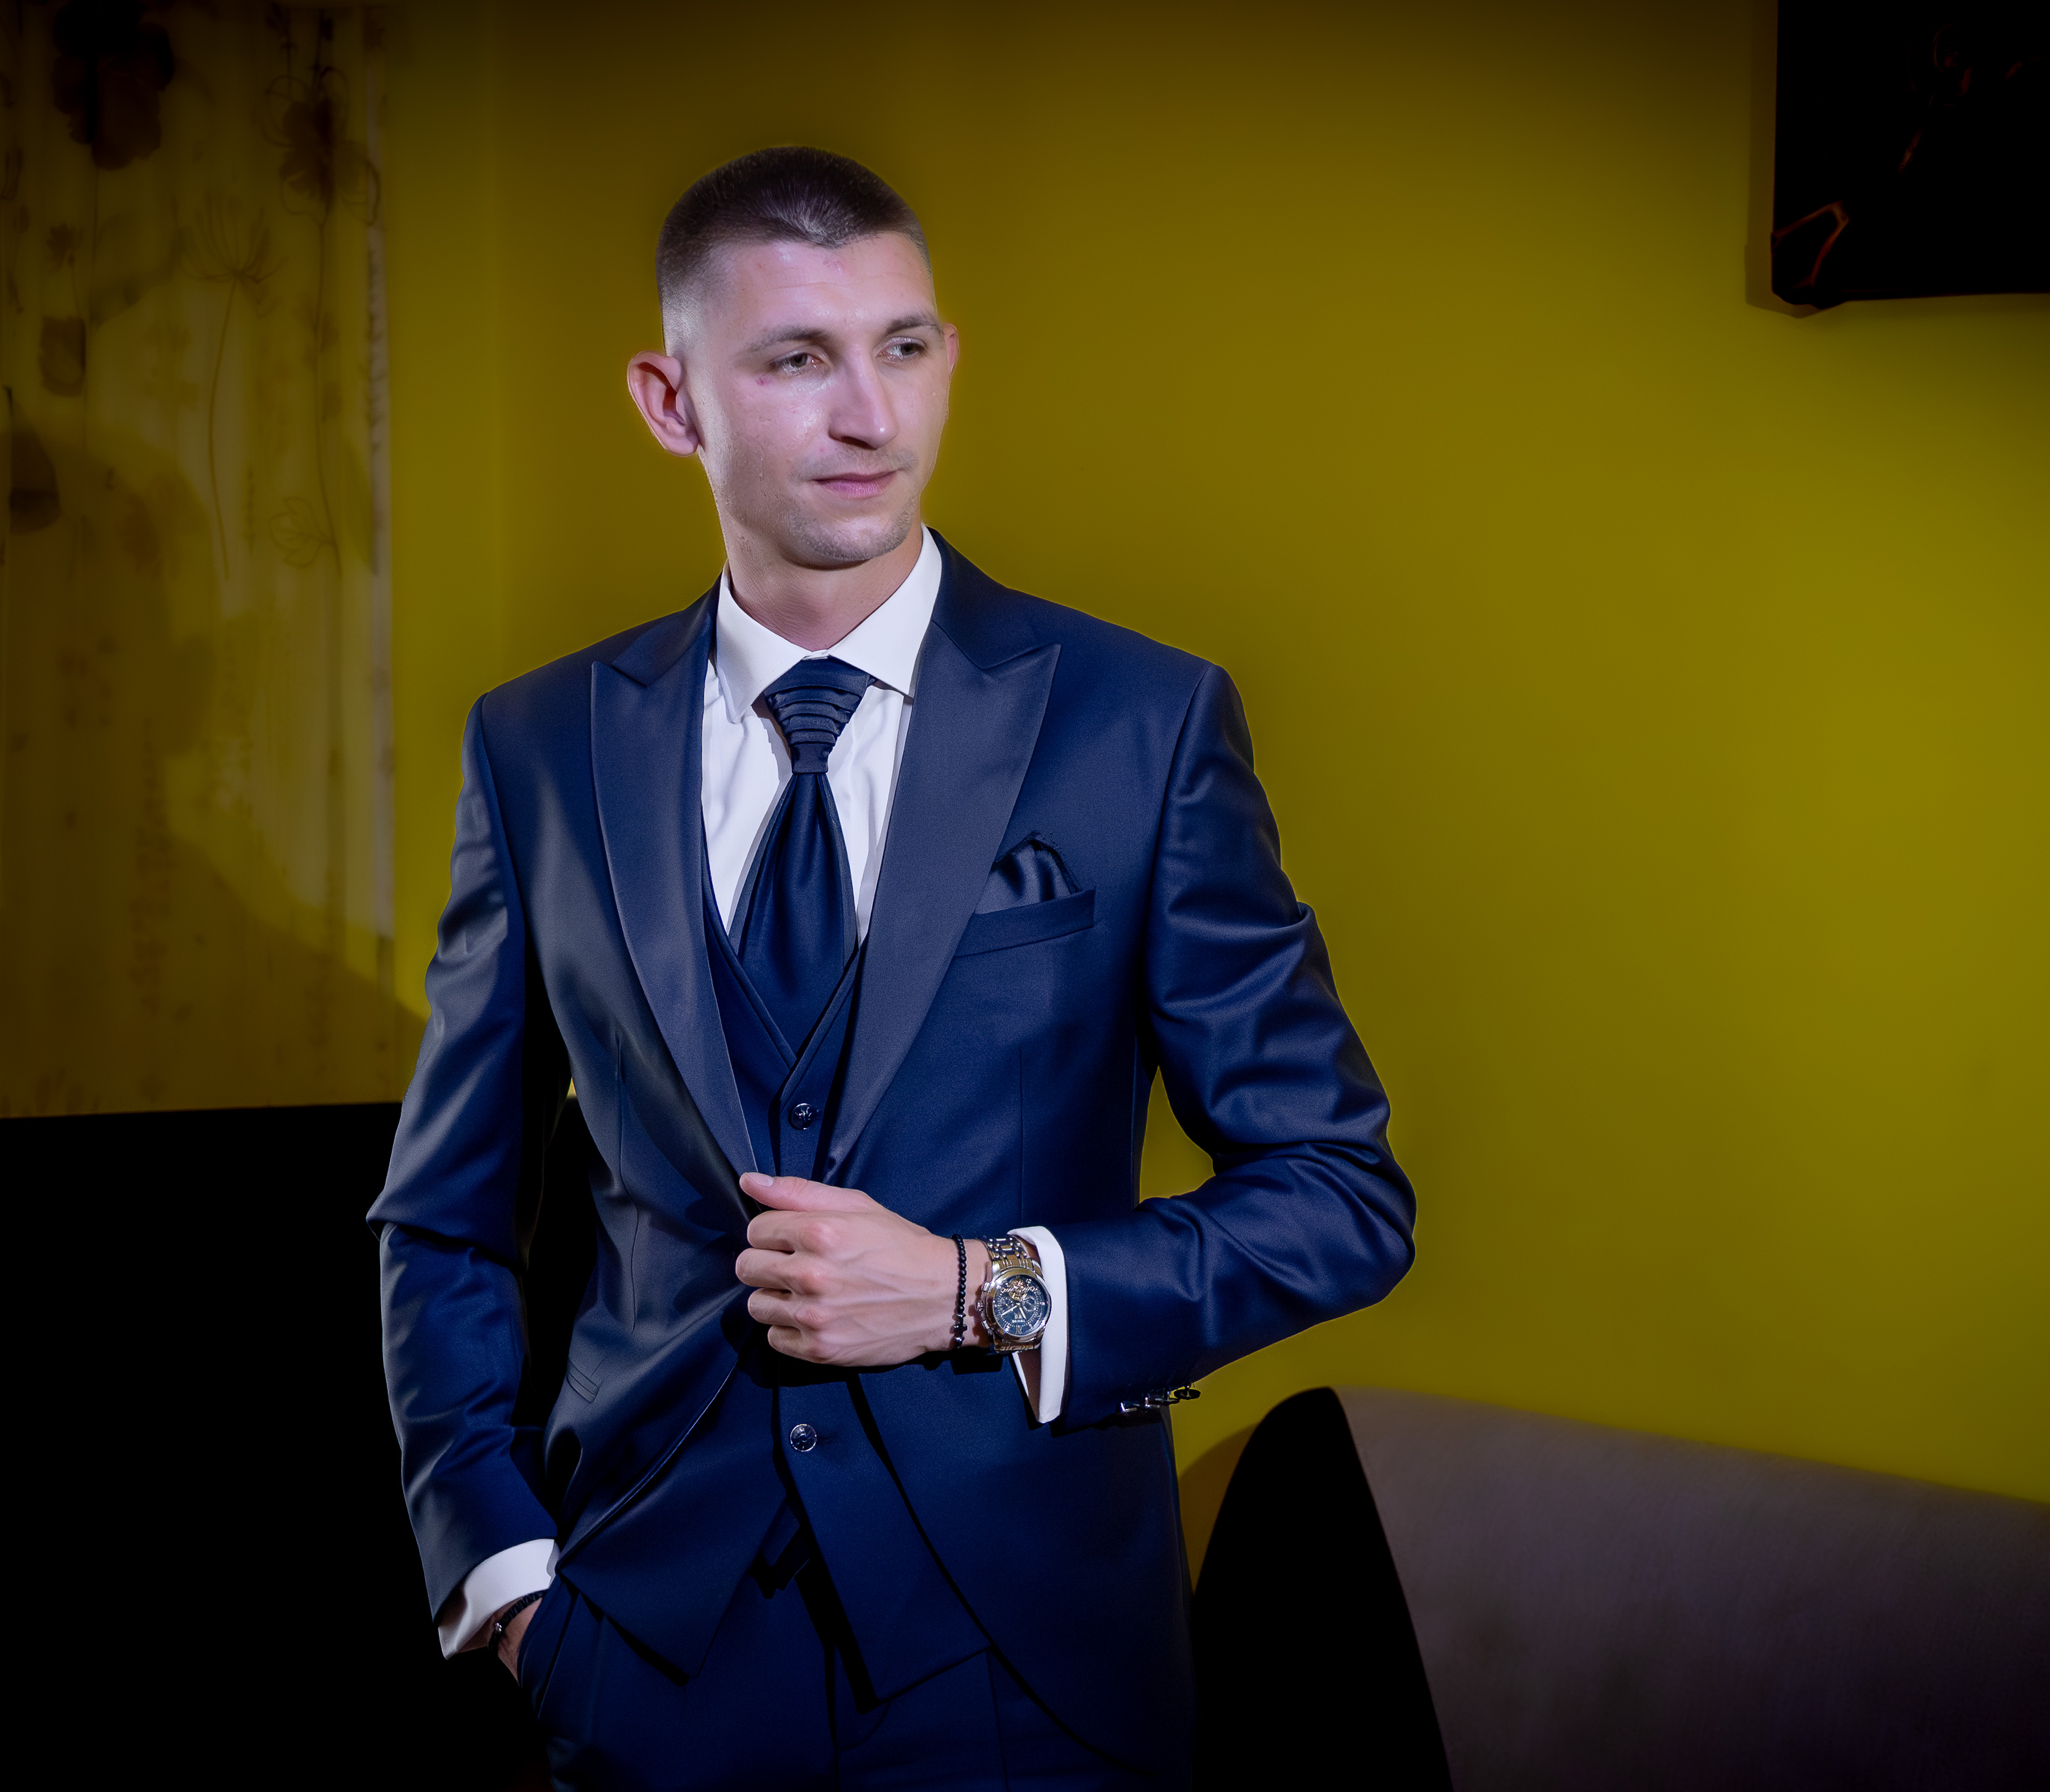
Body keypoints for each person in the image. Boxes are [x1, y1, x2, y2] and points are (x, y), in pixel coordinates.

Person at [371, 145, 1414, 1790]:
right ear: (670, 402)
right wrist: (498, 1576)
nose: (872, 416)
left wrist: (975, 1289)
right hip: (640, 1656)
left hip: (1029, 1664)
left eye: (905, 347)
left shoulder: (1140, 725)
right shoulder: (539, 749)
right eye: (798, 360)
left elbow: (1341, 1197)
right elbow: (445, 1211)